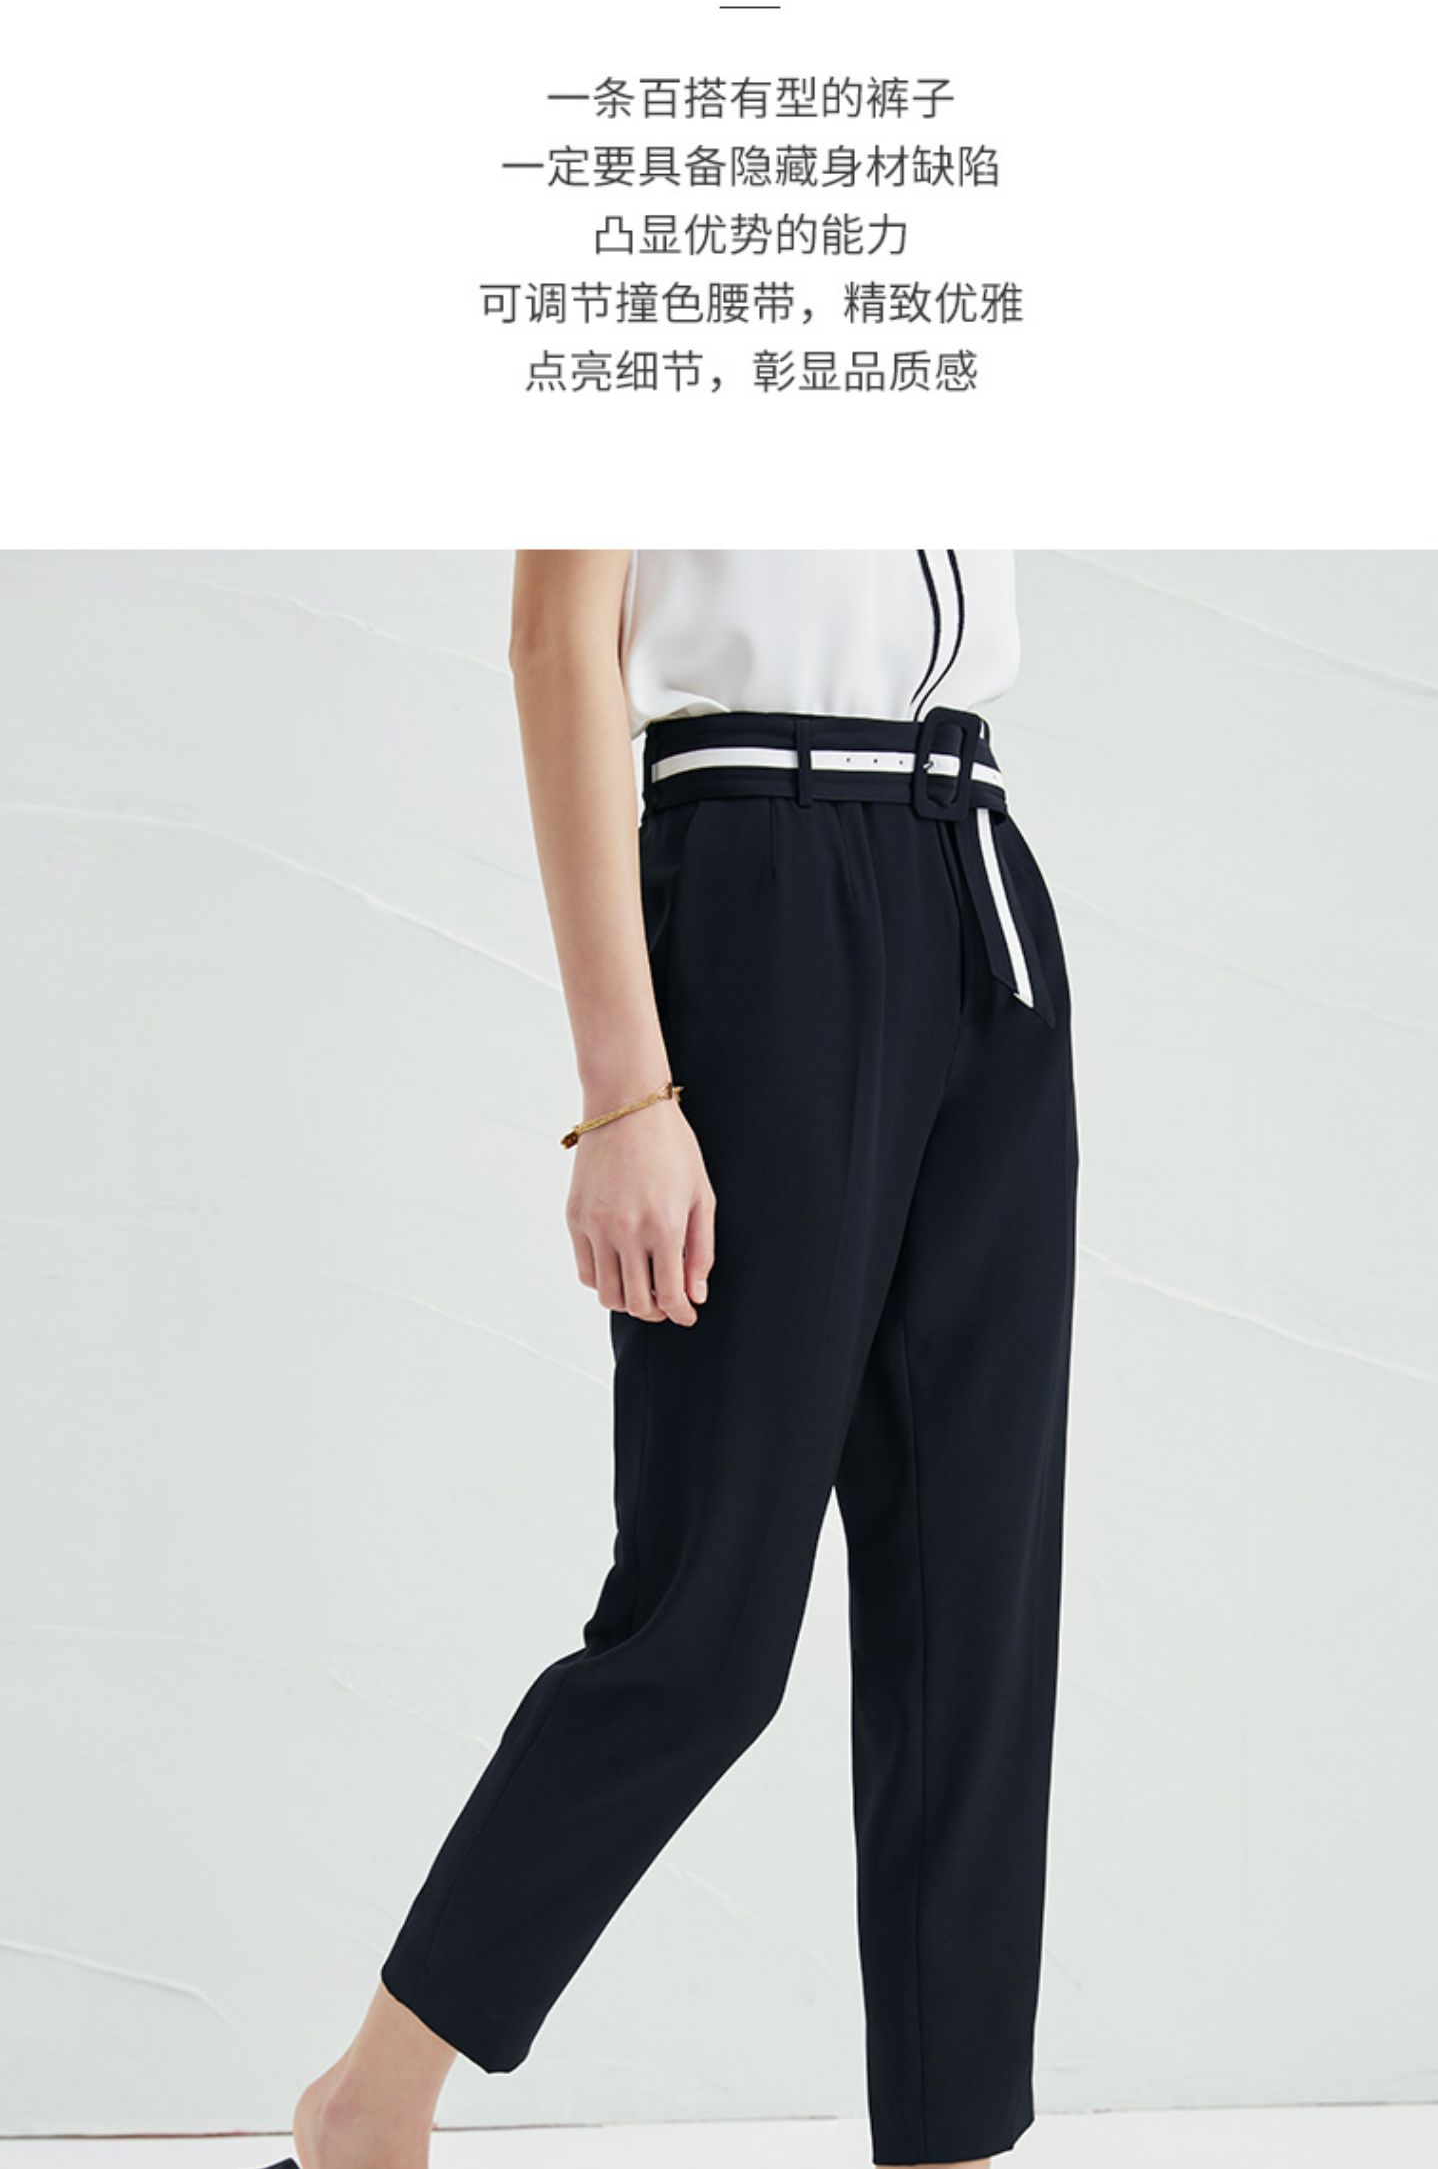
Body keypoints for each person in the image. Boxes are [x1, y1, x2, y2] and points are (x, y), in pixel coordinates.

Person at [269, 548, 1080, 2169]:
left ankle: (953, 2147)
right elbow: (554, 638)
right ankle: (373, 2100)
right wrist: (626, 1093)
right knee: (704, 1625)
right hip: (763, 878)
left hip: (979, 881)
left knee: (974, 1610)